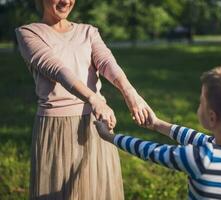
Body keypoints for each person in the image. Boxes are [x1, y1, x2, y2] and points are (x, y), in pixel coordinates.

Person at [15, 0, 154, 199]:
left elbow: (107, 62)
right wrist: (94, 99)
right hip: (57, 128)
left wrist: (130, 93)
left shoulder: (88, 31)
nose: (66, 1)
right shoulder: (29, 33)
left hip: (97, 125)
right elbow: (56, 70)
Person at [95, 66, 221, 200]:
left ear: (212, 117)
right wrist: (158, 125)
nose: (199, 105)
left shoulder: (201, 160)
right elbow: (198, 139)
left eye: (201, 102)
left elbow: (150, 151)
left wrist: (110, 136)